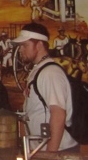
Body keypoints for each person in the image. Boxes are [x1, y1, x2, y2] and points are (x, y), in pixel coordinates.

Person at [11, 23, 78, 152]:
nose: (20, 50)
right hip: (42, 149)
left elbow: (58, 115)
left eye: (25, 45)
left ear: (39, 45)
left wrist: (50, 156)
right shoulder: (39, 70)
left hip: (58, 151)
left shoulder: (50, 73)